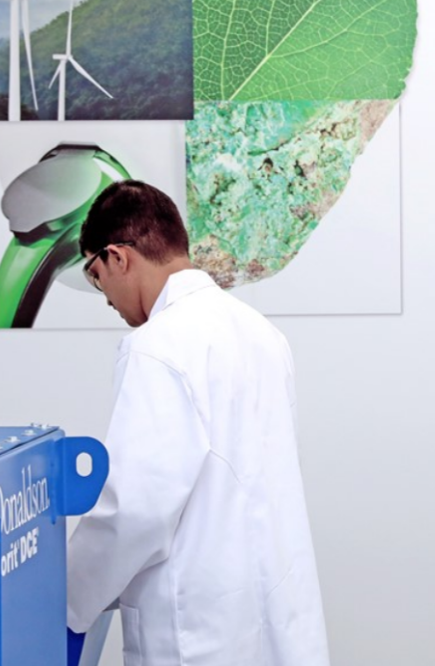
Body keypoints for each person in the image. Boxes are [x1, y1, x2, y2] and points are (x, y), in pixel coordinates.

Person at [65, 180, 331, 666]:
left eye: (94, 274)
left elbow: (136, 509)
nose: (104, 296)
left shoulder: (158, 345)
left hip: (198, 634)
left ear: (119, 257)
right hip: (273, 618)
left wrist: (67, 602)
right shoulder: (261, 333)